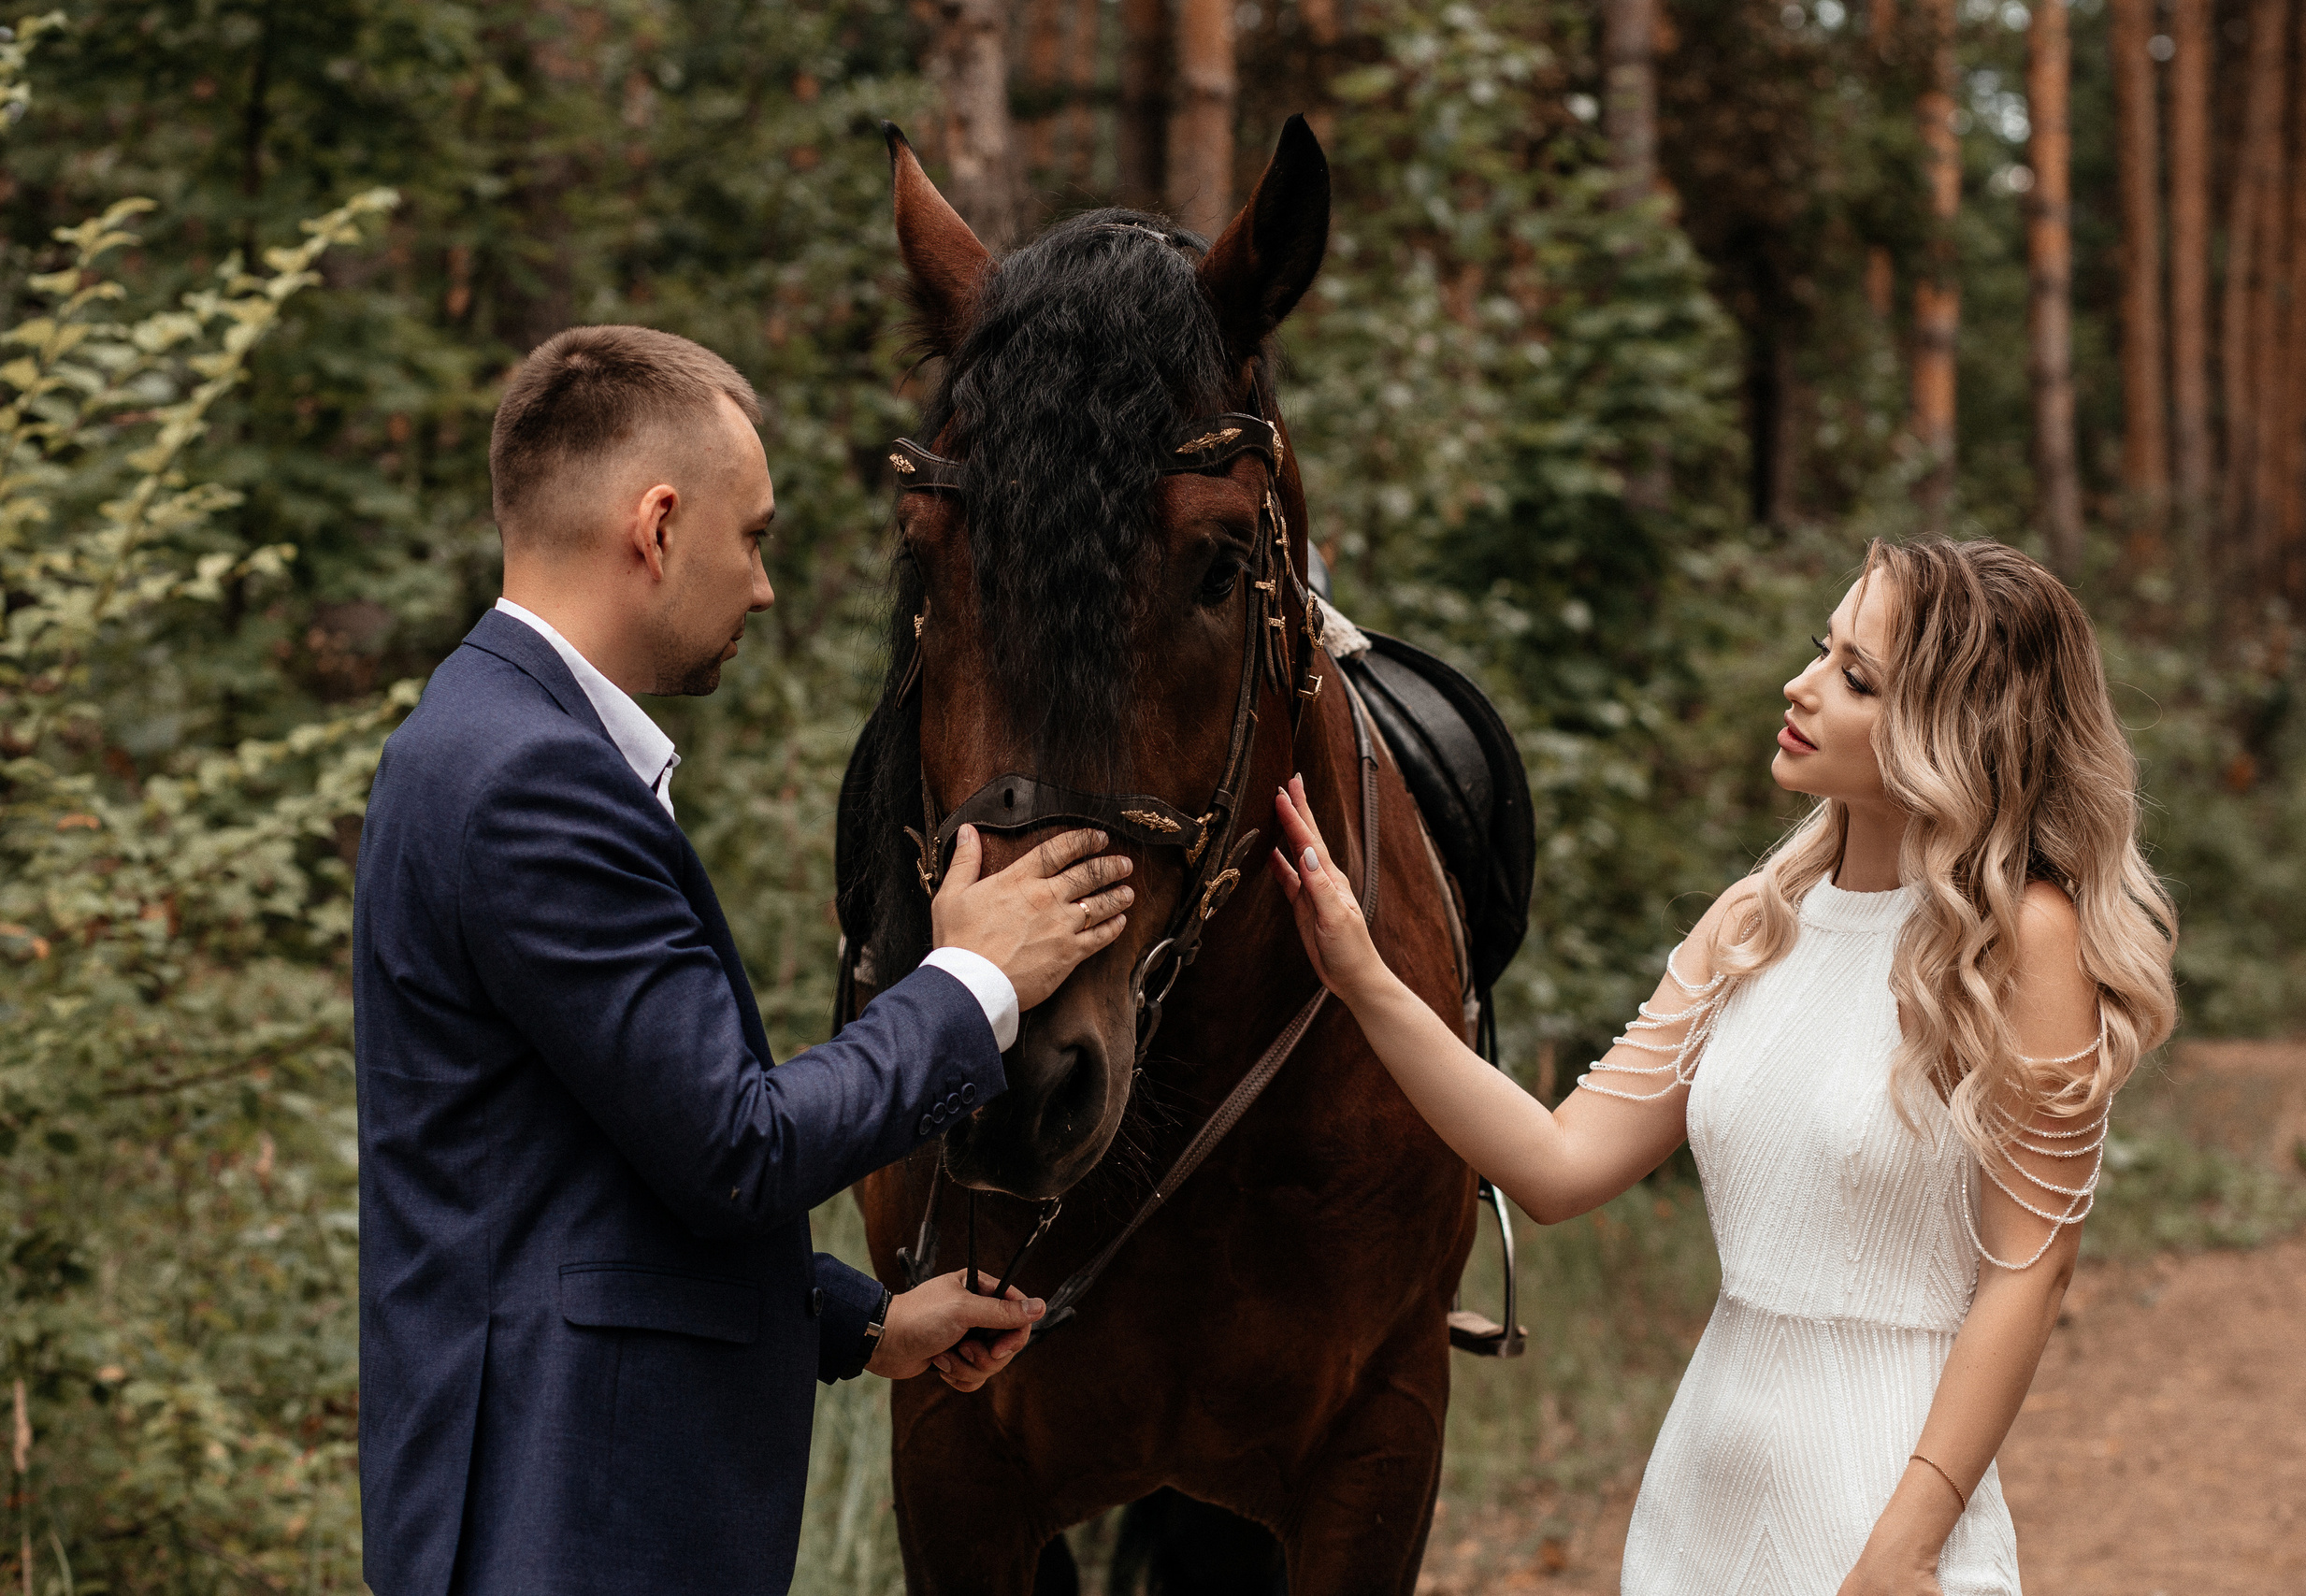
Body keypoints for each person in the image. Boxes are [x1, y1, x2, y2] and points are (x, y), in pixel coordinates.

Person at [351, 325, 1136, 1596]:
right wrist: (973, 982)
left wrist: (865, 1320)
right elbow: (735, 1145)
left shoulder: (484, 734)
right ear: (657, 526)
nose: (765, 587)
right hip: (567, 1527)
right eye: (755, 535)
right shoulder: (528, 779)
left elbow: (584, 1175)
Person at [1272, 538, 2178, 1595]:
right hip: (1698, 1497)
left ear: (1951, 731)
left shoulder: (2025, 941)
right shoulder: (1757, 921)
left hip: (1881, 1498)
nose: (1800, 687)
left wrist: (1910, 1543)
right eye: (1819, 649)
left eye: (1855, 678)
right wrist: (1366, 979)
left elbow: (2029, 1276)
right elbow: (1558, 1166)